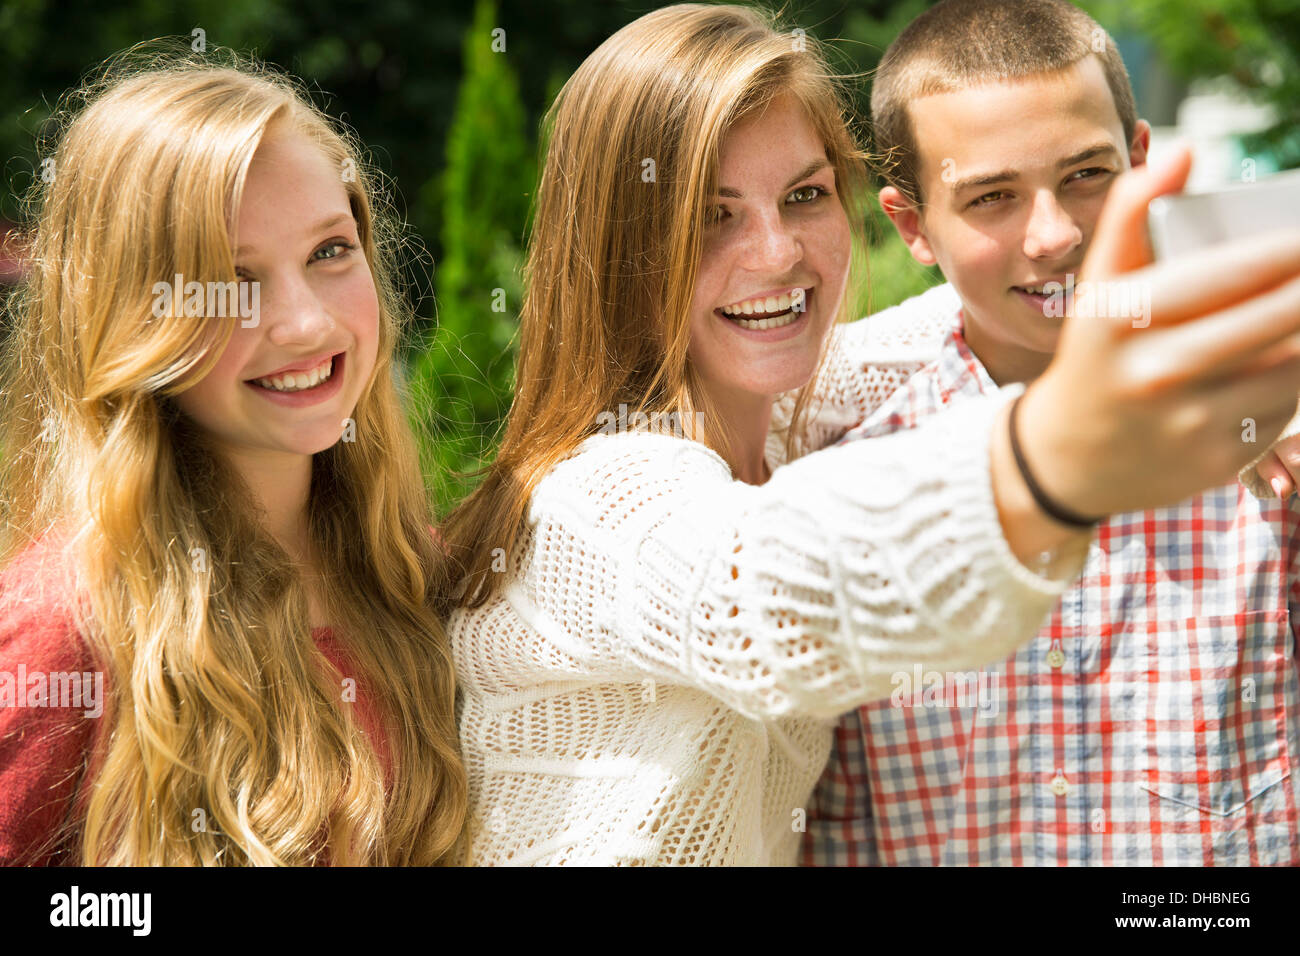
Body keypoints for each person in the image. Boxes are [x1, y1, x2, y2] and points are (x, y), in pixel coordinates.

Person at [438, 3, 1300, 865]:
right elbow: (763, 594)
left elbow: (988, 306)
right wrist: (1060, 458)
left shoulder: (798, 418)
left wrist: (1206, 331)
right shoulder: (592, 505)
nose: (777, 255)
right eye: (712, 214)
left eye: (805, 196)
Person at [803, 0, 1300, 867]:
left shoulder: (1267, 436)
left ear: (1143, 163)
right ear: (912, 225)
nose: (1056, 235)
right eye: (991, 196)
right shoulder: (851, 493)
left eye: (1087, 175)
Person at [0, 47, 465, 865]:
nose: (306, 325)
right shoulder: (64, 632)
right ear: (130, 318)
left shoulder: (429, 585)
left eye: (330, 251)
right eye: (233, 282)